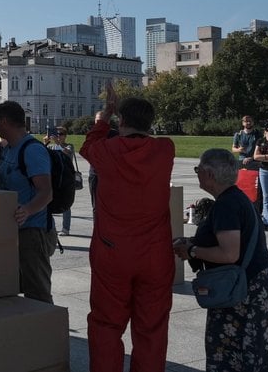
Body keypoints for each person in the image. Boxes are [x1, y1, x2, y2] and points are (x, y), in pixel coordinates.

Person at [80, 84, 175, 372]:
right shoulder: (165, 149)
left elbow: (87, 148)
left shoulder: (107, 150)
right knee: (152, 328)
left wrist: (103, 117)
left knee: (106, 325)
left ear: (121, 121)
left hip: (113, 251)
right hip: (155, 253)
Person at [173, 148, 268, 371]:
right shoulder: (234, 197)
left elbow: (229, 253)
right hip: (253, 283)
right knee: (255, 351)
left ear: (209, 174)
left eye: (198, 170)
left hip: (244, 292)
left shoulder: (226, 205)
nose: (197, 174)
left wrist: (192, 250)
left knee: (235, 352)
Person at [0, 100, 56, 303]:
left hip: (33, 232)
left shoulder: (32, 150)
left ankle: (45, 331)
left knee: (37, 291)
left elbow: (46, 192)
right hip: (13, 230)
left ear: (4, 122)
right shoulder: (9, 149)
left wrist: (27, 210)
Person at [45, 127, 74, 236]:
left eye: (61, 134)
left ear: (65, 136)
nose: (58, 136)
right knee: (50, 202)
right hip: (54, 178)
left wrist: (59, 144)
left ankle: (66, 228)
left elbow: (68, 153)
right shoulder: (52, 147)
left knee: (66, 204)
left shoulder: (69, 146)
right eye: (56, 134)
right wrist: (45, 144)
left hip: (66, 180)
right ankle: (51, 227)